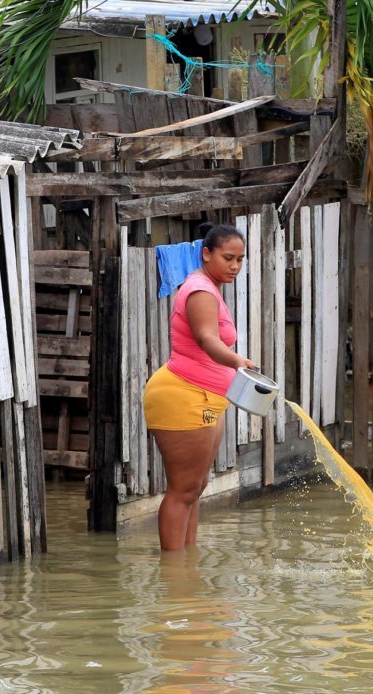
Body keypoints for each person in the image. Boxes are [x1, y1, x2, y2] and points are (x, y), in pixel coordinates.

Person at [143, 223, 255, 552]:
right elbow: (207, 340)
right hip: (184, 395)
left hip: (206, 397)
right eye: (228, 258)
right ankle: (174, 575)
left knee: (196, 486)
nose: (235, 266)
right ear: (206, 254)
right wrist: (238, 361)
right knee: (183, 489)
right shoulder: (201, 290)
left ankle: (187, 568)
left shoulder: (208, 286)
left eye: (240, 260)